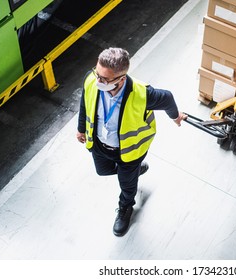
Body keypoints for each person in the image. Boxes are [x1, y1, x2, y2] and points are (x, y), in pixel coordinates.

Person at [76, 47, 186, 236]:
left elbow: (167, 98)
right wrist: (80, 128)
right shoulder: (92, 79)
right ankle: (134, 172)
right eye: (97, 73)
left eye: (104, 79)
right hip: (100, 145)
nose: (98, 81)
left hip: (129, 151)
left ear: (121, 79)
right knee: (102, 171)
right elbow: (85, 101)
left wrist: (175, 117)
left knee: (127, 186)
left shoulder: (142, 95)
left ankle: (126, 208)